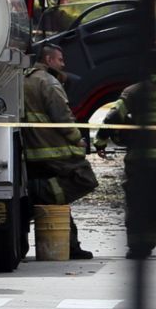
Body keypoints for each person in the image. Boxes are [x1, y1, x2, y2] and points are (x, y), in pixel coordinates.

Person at [92, 47, 156, 259]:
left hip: (141, 159)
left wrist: (100, 141)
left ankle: (139, 245)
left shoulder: (134, 91)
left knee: (138, 199)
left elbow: (113, 117)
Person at [23, 44, 96, 259]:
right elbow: (62, 117)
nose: (63, 64)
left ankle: (70, 246)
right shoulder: (47, 82)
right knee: (84, 178)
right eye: (60, 59)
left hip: (32, 152)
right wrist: (78, 140)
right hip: (51, 152)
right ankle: (38, 192)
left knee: (60, 199)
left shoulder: (24, 79)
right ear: (48, 59)